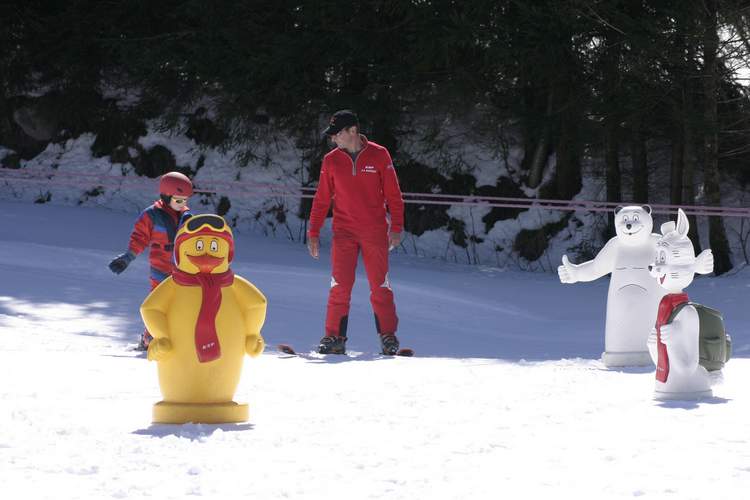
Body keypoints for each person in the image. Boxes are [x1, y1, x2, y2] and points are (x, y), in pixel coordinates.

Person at [308, 110, 405, 355]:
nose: (333, 139)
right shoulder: (331, 160)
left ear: (353, 131)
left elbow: (394, 195)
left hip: (374, 231)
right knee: (339, 285)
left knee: (380, 285)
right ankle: (334, 337)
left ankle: (388, 336)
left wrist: (396, 227)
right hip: (343, 232)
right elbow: (321, 199)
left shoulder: (380, 154)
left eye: (336, 134)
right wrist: (313, 232)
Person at [108, 171, 193, 350]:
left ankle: (181, 336)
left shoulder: (187, 217)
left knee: (184, 304)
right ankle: (150, 337)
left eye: (185, 200)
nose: (183, 204)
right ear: (165, 195)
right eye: (178, 200)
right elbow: (139, 238)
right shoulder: (151, 216)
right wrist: (128, 257)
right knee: (160, 304)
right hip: (160, 269)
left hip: (183, 269)